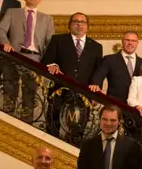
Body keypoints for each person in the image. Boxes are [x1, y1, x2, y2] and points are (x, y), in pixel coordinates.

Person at [42, 11, 104, 141]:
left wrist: (95, 95)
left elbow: (98, 72)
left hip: (84, 93)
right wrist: (53, 65)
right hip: (59, 90)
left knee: (79, 126)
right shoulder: (58, 40)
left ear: (87, 26)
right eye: (75, 22)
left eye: (82, 22)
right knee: (53, 122)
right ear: (69, 25)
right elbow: (47, 60)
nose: (79, 25)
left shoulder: (96, 47)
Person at [0, 0, 53, 121]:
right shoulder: (13, 12)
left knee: (30, 95)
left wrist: (48, 62)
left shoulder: (47, 19)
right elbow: (0, 29)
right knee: (9, 91)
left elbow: (50, 42)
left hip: (35, 60)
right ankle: (6, 121)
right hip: (14, 55)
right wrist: (5, 43)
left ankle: (26, 125)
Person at [88, 31, 142, 103]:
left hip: (137, 105)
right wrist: (95, 84)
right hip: (114, 105)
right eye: (127, 40)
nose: (130, 43)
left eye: (133, 41)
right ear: (122, 41)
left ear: (137, 43)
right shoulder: (109, 59)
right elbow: (98, 76)